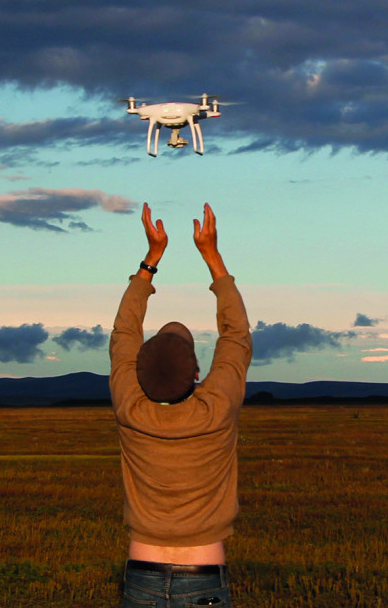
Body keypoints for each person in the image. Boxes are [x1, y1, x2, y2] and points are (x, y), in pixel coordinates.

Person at [109, 202, 250, 608]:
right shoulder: (215, 408)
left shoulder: (129, 407)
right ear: (196, 374)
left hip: (141, 577)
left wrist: (150, 261)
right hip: (205, 578)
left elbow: (124, 334)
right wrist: (212, 256)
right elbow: (235, 334)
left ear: (137, 372)